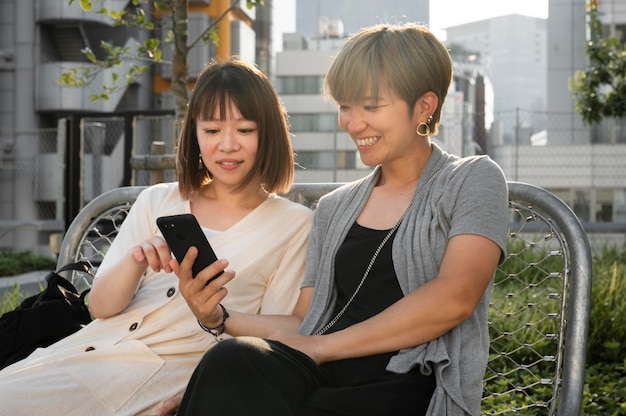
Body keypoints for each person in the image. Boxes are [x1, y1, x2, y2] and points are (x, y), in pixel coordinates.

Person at [164, 23, 510, 416]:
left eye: (371, 106)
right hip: (320, 371)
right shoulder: (334, 207)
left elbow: (455, 298)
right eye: (346, 107)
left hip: (406, 381)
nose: (352, 123)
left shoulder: (472, 179)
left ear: (424, 106)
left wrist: (322, 347)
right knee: (229, 360)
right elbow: (306, 321)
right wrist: (220, 320)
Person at [0, 58, 313, 415]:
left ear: (269, 132)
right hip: (89, 351)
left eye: (244, 130)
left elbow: (279, 335)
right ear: (194, 134)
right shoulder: (159, 200)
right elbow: (100, 307)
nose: (227, 145)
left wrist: (217, 314)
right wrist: (136, 259)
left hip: (167, 375)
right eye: (211, 131)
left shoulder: (294, 226)